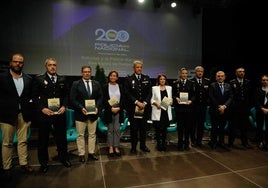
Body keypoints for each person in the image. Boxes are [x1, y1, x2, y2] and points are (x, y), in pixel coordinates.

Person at [32, 58, 71, 173]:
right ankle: (43, 163)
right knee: (43, 140)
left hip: (59, 114)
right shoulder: (39, 79)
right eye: (50, 65)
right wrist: (42, 108)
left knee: (61, 139)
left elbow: (66, 95)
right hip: (45, 114)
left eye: (54, 65)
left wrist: (64, 106)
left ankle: (63, 158)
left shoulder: (62, 79)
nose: (52, 67)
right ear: (46, 66)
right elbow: (34, 97)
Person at [0, 53, 33, 178]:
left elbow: (29, 97)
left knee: (23, 141)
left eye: (20, 62)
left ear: (23, 64)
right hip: (7, 115)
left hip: (23, 115)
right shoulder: (2, 77)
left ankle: (23, 164)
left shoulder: (28, 79)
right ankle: (6, 167)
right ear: (10, 63)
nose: (18, 64)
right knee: (7, 143)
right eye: (15, 61)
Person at [70, 65, 103, 162]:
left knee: (92, 134)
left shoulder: (96, 83)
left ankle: (91, 153)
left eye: (88, 71)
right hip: (81, 114)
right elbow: (72, 99)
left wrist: (97, 107)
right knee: (80, 135)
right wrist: (81, 108)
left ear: (91, 73)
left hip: (93, 114)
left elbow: (101, 97)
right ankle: (81, 154)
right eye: (85, 72)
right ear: (81, 73)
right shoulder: (76, 84)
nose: (87, 73)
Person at [124, 60, 152, 154]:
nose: (139, 69)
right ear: (133, 68)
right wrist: (136, 102)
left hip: (144, 108)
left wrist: (145, 102)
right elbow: (127, 93)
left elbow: (149, 93)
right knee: (134, 129)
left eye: (140, 67)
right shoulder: (128, 79)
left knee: (143, 128)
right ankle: (133, 147)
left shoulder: (146, 78)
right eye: (137, 67)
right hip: (133, 108)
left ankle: (143, 145)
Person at [102, 70, 125, 157]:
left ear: (117, 78)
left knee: (117, 130)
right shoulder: (105, 87)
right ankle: (110, 147)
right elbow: (104, 100)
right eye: (111, 75)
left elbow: (123, 99)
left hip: (119, 111)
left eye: (115, 76)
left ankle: (116, 146)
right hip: (109, 111)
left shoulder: (121, 87)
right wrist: (111, 108)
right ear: (109, 77)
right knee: (110, 130)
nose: (113, 77)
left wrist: (119, 108)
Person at [228, 67, 252, 149]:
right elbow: (230, 95)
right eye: (240, 71)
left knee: (244, 126)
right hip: (234, 107)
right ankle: (230, 143)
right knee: (233, 126)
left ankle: (245, 142)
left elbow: (249, 95)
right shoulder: (232, 82)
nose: (241, 73)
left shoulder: (247, 82)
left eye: (243, 71)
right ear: (236, 73)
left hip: (244, 107)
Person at [172, 68, 195, 151]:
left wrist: (191, 100)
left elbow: (194, 95)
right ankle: (180, 144)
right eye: (183, 73)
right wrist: (176, 98)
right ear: (180, 74)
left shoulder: (191, 83)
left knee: (188, 127)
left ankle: (186, 144)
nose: (184, 75)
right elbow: (173, 94)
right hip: (179, 109)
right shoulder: (175, 83)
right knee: (180, 127)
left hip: (188, 109)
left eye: (186, 73)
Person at [208, 71, 233, 150]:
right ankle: (213, 142)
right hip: (215, 109)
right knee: (214, 127)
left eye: (222, 76)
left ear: (224, 77)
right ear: (216, 77)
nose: (220, 77)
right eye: (218, 76)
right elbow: (211, 97)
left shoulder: (228, 86)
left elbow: (231, 97)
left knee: (222, 127)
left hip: (225, 110)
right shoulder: (212, 85)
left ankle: (221, 142)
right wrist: (219, 106)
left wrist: (224, 106)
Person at [151, 73, 173, 151]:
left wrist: (171, 102)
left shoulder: (169, 88)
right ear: (158, 80)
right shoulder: (154, 88)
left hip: (166, 111)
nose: (162, 80)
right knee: (157, 129)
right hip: (158, 110)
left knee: (164, 129)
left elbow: (171, 99)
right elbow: (152, 100)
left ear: (165, 80)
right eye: (161, 79)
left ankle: (163, 144)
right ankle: (159, 144)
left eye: (164, 79)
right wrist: (156, 103)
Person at [190, 66, 210, 147]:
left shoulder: (207, 81)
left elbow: (209, 94)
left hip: (203, 107)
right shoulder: (191, 81)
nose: (200, 72)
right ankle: (193, 140)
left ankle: (199, 141)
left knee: (201, 125)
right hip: (193, 107)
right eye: (198, 71)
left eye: (201, 71)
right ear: (195, 72)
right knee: (193, 125)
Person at [254, 74, 268, 150]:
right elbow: (256, 101)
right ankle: (261, 142)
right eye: (263, 80)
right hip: (260, 111)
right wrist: (262, 108)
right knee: (260, 127)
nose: (265, 81)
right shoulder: (258, 90)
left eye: (266, 80)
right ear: (261, 81)